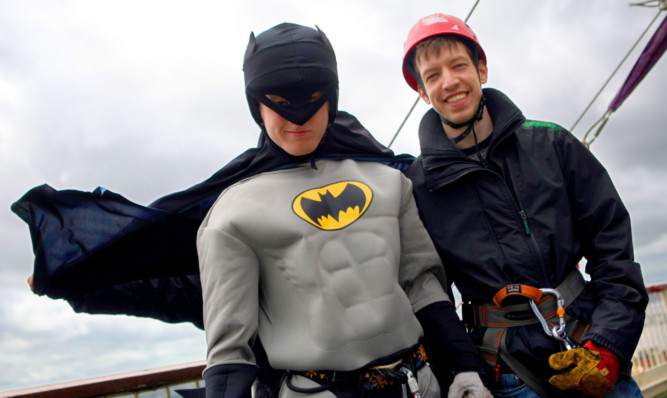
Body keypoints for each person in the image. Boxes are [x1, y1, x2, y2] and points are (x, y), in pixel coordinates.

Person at [196, 22, 493, 398]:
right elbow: (229, 352)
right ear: (257, 105)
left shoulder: (389, 182)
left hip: (420, 383)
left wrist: (465, 367)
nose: (298, 118)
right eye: (280, 103)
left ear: (332, 97)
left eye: (313, 97)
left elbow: (423, 287)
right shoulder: (231, 215)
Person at [400, 13, 649, 398]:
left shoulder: (551, 145)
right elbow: (428, 291)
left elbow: (613, 250)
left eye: (459, 65)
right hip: (506, 371)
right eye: (432, 75)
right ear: (421, 91)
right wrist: (461, 370)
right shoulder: (419, 186)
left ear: (481, 69)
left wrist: (609, 344)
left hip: (588, 346)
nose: (448, 82)